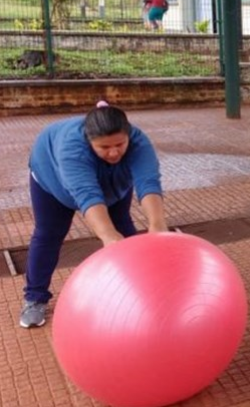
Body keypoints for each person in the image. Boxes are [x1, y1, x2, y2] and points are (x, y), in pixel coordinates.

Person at [19, 101, 168, 329]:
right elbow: (87, 195)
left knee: (125, 230)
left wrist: (158, 227)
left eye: (120, 144)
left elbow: (148, 183)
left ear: (128, 135)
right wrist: (108, 237)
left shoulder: (139, 142)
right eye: (104, 147)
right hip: (52, 179)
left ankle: (138, 289)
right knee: (49, 234)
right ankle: (34, 298)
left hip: (113, 184)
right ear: (90, 142)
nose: (114, 151)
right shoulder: (72, 149)